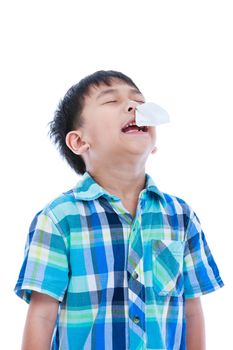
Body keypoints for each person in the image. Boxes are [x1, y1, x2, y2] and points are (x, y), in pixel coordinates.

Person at [14, 70, 224, 350]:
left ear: (154, 145)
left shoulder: (180, 217)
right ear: (79, 141)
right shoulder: (58, 219)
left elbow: (192, 310)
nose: (133, 107)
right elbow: (42, 314)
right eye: (111, 101)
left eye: (138, 101)